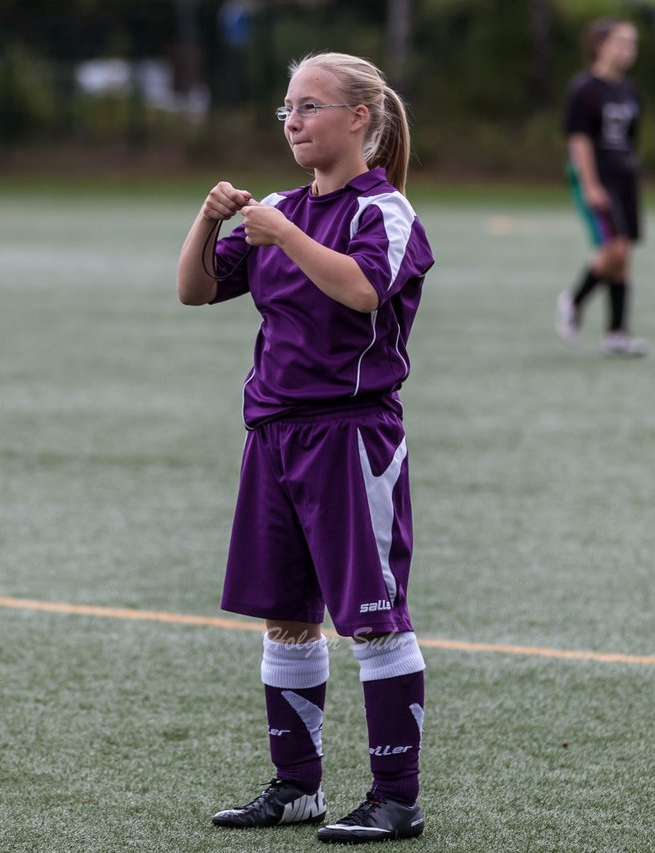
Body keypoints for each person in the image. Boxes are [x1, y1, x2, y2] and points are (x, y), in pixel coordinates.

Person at [175, 52, 434, 844]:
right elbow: (193, 289)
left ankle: (397, 796)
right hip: (273, 437)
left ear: (359, 118)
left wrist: (281, 231)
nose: (293, 120)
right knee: (287, 617)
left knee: (375, 618)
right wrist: (208, 220)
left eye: (311, 106)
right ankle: (298, 787)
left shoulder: (382, 213)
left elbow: (361, 289)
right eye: (286, 106)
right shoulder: (279, 206)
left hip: (351, 436)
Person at [557, 18, 648, 356]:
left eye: (633, 44)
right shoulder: (585, 89)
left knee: (624, 256)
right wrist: (591, 184)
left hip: (624, 178)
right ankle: (574, 301)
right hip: (598, 177)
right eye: (622, 42)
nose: (629, 50)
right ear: (601, 44)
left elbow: (630, 140)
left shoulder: (629, 90)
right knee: (616, 249)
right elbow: (579, 140)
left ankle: (616, 333)